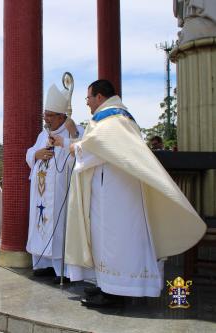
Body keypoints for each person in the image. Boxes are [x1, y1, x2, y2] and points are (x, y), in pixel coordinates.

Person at [65, 79, 206, 307]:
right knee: (110, 238)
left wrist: (75, 146)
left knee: (114, 239)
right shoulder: (119, 117)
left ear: (100, 97)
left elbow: (99, 146)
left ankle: (114, 293)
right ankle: (106, 285)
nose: (88, 103)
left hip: (115, 194)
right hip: (115, 190)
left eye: (88, 98)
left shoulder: (112, 118)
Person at [25, 84, 83, 283]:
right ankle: (43, 264)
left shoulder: (75, 130)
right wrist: (37, 154)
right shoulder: (43, 135)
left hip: (62, 192)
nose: (45, 118)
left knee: (59, 228)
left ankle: (62, 270)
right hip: (41, 191)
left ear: (61, 116)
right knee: (41, 224)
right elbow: (29, 153)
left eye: (50, 115)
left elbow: (84, 149)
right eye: (45, 114)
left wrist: (74, 133)